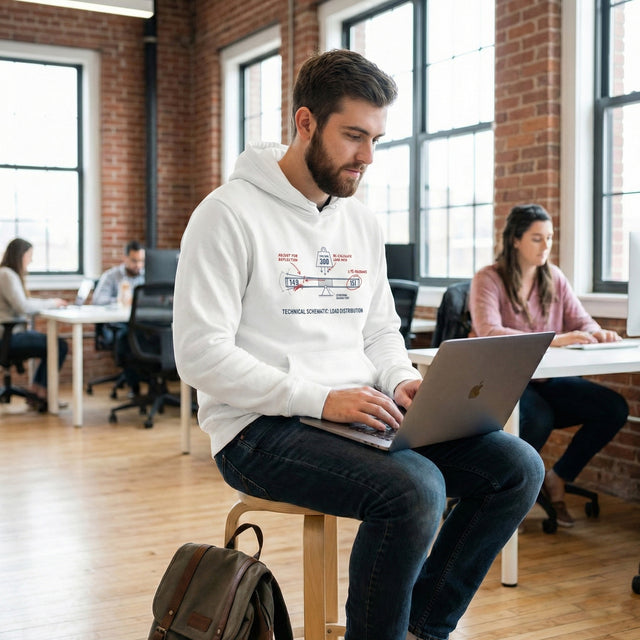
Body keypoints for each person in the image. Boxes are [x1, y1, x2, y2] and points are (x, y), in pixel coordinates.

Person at [173, 50, 544, 640]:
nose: (367, 157)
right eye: (353, 136)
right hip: (257, 427)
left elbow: (378, 332)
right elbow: (199, 355)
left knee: (517, 467)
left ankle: (422, 628)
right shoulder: (226, 215)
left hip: (358, 412)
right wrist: (321, 399)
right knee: (416, 488)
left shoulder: (361, 222)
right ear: (305, 123)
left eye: (376, 139)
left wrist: (399, 379)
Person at [469, 203, 628, 527]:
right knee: (538, 417)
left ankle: (558, 479)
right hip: (508, 380)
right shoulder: (489, 278)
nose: (546, 246)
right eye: (537, 238)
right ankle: (493, 495)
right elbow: (489, 331)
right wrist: (554, 338)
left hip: (547, 379)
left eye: (550, 238)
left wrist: (597, 331)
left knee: (613, 407)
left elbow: (582, 320)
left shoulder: (554, 277)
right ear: (515, 239)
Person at [0, 237, 69, 410]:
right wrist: (52, 303)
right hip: (8, 337)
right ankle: (42, 392)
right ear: (20, 255)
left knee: (53, 344)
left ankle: (36, 391)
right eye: (29, 255)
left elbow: (25, 302)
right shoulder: (6, 274)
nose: (30, 260)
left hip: (9, 334)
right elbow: (23, 306)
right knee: (58, 345)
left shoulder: (8, 274)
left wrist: (50, 302)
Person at [93, 240, 145, 393]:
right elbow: (97, 301)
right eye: (134, 261)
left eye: (142, 261)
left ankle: (155, 384)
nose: (138, 265)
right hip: (117, 325)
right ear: (125, 258)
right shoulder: (111, 276)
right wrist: (118, 300)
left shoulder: (147, 276)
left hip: (141, 323)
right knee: (127, 337)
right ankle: (134, 384)